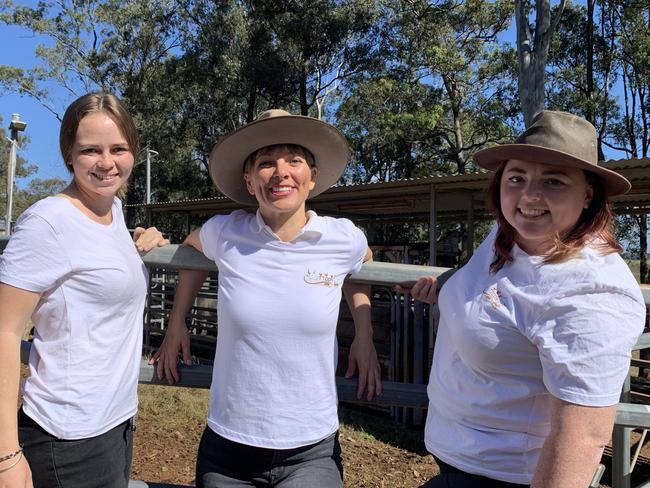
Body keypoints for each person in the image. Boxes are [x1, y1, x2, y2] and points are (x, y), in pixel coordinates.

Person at [405, 111, 646, 488]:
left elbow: (581, 438)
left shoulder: (592, 292)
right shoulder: (512, 234)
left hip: (504, 478)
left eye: (554, 181)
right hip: (456, 460)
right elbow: (497, 287)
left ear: (588, 193)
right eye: (516, 177)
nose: (529, 195)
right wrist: (450, 285)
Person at [151, 109, 382, 488]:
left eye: (294, 160)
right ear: (248, 179)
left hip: (312, 448)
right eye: (265, 162)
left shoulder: (342, 237)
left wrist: (364, 334)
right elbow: (189, 257)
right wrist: (178, 322)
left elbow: (363, 268)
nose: (281, 172)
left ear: (312, 176)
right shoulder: (225, 232)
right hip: (229, 449)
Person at [0, 92, 169, 488]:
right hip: (67, 440)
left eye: (119, 148)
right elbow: (4, 331)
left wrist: (143, 241)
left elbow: (94, 274)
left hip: (115, 425)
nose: (107, 162)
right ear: (68, 156)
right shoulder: (47, 223)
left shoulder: (113, 213)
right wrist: (6, 455)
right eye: (91, 150)